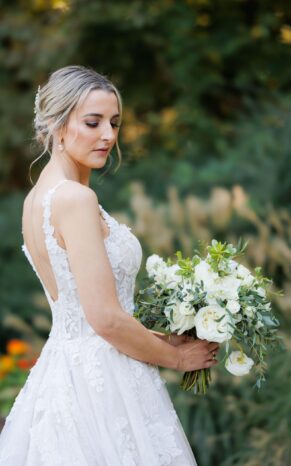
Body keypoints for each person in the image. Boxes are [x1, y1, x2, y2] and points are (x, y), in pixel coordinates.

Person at [0, 65, 219, 465]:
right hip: (103, 384)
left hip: (67, 371)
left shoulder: (38, 199)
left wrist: (164, 339)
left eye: (114, 122)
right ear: (55, 124)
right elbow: (103, 318)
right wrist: (178, 358)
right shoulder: (74, 200)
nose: (108, 135)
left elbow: (83, 313)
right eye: (93, 121)